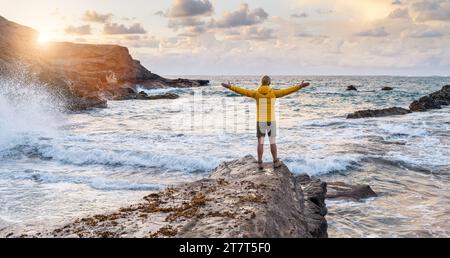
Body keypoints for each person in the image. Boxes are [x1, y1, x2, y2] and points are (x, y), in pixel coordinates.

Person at [222, 76, 310, 169]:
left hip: (261, 121)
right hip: (271, 121)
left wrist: (230, 87)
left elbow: (243, 91)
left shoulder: (256, 93)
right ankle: (275, 162)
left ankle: (260, 163)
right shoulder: (274, 93)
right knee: (272, 142)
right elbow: (288, 90)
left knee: (260, 143)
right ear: (269, 83)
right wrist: (300, 86)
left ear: (262, 83)